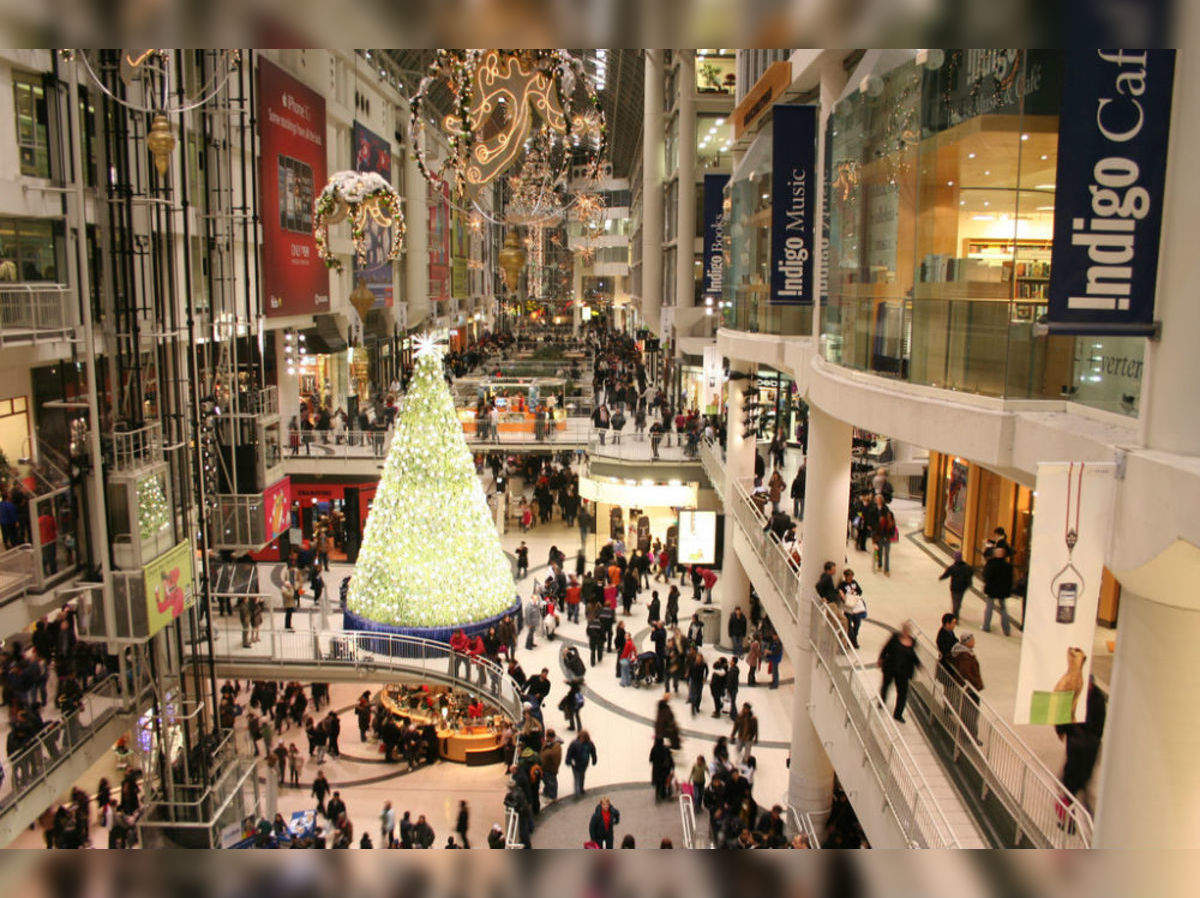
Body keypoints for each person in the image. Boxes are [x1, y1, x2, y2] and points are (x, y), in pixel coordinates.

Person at [878, 622, 920, 723]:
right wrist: (881, 658)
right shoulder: (895, 638)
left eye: (908, 630)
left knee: (902, 693)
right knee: (886, 685)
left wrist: (918, 664)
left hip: (904, 672)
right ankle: (881, 701)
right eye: (905, 629)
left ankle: (898, 714)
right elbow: (886, 648)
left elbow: (913, 655)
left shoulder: (913, 642)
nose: (906, 632)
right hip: (891, 668)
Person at [950, 632, 984, 743]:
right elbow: (966, 673)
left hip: (968, 688)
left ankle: (969, 736)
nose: (974, 641)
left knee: (969, 713)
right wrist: (976, 684)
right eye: (972, 639)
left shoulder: (963, 653)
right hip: (970, 689)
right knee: (971, 714)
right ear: (967, 642)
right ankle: (971, 738)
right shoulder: (965, 656)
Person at [981, 546, 1014, 636]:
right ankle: (1006, 630)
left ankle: (986, 626)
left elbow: (985, 576)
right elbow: (1010, 580)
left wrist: (985, 584)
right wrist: (1008, 590)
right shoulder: (1008, 566)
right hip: (1002, 591)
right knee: (1003, 609)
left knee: (989, 608)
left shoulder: (990, 564)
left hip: (991, 590)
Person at [939, 552, 974, 619]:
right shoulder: (967, 567)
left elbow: (946, 574)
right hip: (963, 587)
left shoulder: (952, 567)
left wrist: (941, 577)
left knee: (955, 600)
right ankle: (956, 611)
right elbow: (971, 573)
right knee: (959, 599)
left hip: (954, 587)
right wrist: (969, 583)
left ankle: (955, 614)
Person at [838, 569, 867, 649]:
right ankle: (853, 641)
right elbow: (841, 595)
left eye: (852, 576)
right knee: (849, 625)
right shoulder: (842, 585)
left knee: (857, 624)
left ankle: (853, 638)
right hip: (848, 608)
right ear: (845, 576)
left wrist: (855, 593)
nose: (851, 578)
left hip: (856, 606)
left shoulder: (854, 582)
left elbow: (860, 591)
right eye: (849, 576)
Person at [870, 494, 897, 575]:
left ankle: (887, 569)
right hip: (879, 535)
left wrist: (891, 534)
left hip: (886, 536)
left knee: (887, 554)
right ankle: (880, 565)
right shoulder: (874, 509)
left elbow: (892, 525)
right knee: (880, 552)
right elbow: (873, 522)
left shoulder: (887, 511)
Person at [566, 730, 597, 796]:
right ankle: (578, 792)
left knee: (581, 776)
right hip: (577, 764)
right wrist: (568, 760)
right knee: (577, 777)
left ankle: (580, 790)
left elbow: (593, 752)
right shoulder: (587, 743)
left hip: (583, 764)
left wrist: (594, 760)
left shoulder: (576, 743)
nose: (582, 739)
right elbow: (569, 753)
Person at [649, 736, 674, 801]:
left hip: (656, 769)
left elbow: (650, 759)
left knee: (658, 783)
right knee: (663, 782)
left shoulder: (654, 749)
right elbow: (670, 759)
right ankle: (664, 794)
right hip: (664, 769)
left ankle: (657, 795)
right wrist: (672, 767)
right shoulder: (665, 749)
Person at [540, 729, 563, 801]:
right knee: (547, 781)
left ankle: (553, 797)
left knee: (551, 783)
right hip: (545, 767)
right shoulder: (548, 743)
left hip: (550, 769)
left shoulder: (556, 746)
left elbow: (556, 760)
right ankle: (546, 792)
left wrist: (554, 769)